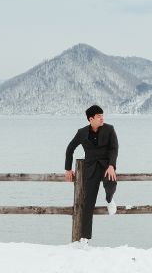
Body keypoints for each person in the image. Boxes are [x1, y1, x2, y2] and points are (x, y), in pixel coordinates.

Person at [64, 104, 119, 246]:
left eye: (102, 115)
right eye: (99, 116)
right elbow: (70, 149)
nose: (102, 118)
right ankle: (84, 237)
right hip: (90, 169)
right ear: (91, 119)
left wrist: (112, 165)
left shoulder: (109, 129)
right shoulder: (81, 132)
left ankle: (109, 200)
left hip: (107, 167)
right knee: (87, 203)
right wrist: (68, 169)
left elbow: (114, 148)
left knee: (111, 183)